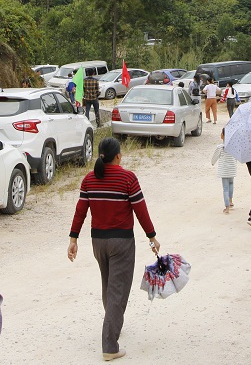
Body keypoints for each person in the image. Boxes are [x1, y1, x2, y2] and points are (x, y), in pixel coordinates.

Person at [68, 137, 159, 362]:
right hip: (121, 243)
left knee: (109, 285)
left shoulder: (89, 179)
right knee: (118, 290)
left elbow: (81, 211)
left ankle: (113, 321)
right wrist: (152, 237)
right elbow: (141, 210)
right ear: (118, 156)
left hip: (98, 241)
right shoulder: (128, 178)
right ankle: (109, 345)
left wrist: (73, 239)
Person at [211, 128, 237, 213]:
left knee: (225, 188)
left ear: (222, 135)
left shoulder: (220, 147)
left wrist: (212, 163)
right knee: (231, 184)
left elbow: (214, 158)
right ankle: (230, 201)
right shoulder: (234, 146)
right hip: (232, 169)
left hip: (224, 170)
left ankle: (227, 207)